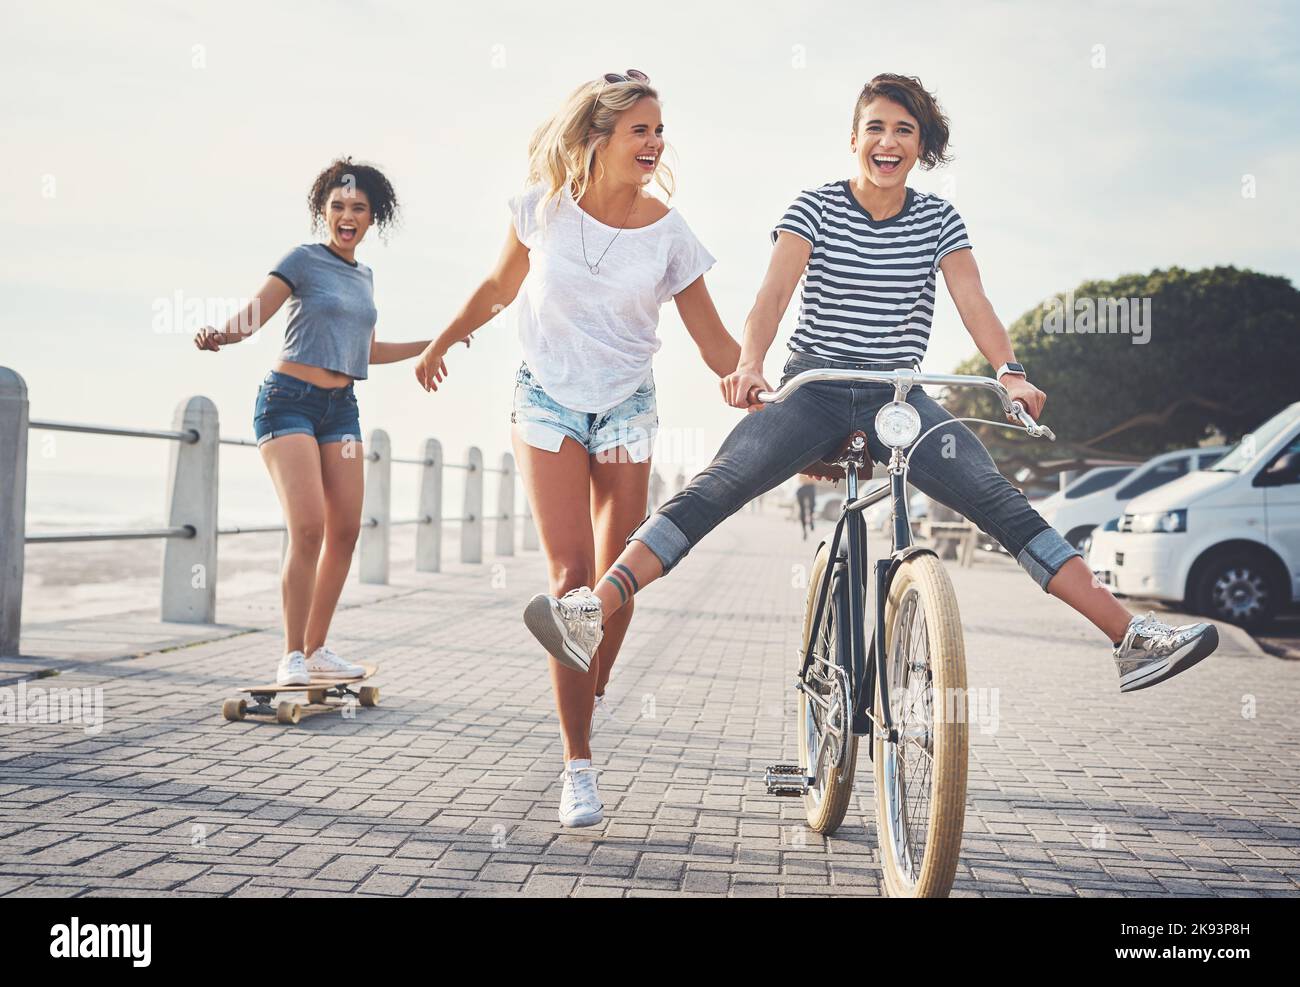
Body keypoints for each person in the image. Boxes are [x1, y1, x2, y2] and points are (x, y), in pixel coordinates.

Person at [522, 73, 1221, 753]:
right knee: (720, 484)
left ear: (922, 147)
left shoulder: (939, 219)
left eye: (904, 131)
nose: (888, 142)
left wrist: (1008, 370)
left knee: (998, 500)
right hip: (815, 390)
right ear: (853, 139)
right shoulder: (814, 207)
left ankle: (1129, 637)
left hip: (899, 399)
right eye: (876, 128)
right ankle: (592, 611)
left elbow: (972, 300)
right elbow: (771, 295)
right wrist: (750, 364)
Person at [413, 71, 739, 827]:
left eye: (660, 131)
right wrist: (442, 340)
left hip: (626, 403)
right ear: (598, 137)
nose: (655, 143)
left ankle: (584, 685)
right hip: (546, 399)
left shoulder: (670, 232)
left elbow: (717, 344)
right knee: (571, 577)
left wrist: (761, 382)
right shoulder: (543, 209)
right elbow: (499, 287)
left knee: (618, 577)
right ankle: (578, 763)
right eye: (641, 130)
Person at [195, 158, 431, 687]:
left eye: (359, 209)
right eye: (338, 207)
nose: (347, 216)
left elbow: (366, 350)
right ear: (323, 211)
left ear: (374, 218)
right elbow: (254, 315)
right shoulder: (302, 260)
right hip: (289, 403)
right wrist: (224, 334)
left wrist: (432, 343)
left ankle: (318, 648)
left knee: (345, 531)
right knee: (308, 528)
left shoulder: (365, 276)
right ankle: (291, 654)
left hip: (340, 410)